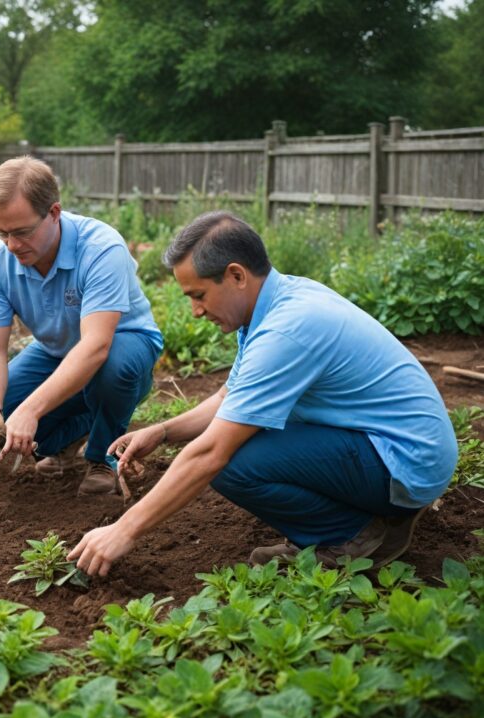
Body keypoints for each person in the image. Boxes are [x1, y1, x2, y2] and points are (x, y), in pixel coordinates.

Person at [68, 210, 458, 576]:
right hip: (400, 448)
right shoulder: (279, 302)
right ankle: (368, 515)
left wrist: (125, 530)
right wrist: (163, 431)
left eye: (198, 295)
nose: (195, 311)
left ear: (236, 275)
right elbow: (228, 396)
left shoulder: (286, 331)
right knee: (239, 438)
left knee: (233, 457)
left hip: (405, 464)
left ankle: (353, 536)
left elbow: (210, 453)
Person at [0, 156, 164, 493]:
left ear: (53, 213)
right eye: (1, 232)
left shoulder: (99, 248)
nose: (11, 245)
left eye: (22, 232)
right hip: (57, 351)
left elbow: (96, 346)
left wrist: (31, 408)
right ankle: (74, 433)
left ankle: (103, 455)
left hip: (121, 344)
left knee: (112, 369)